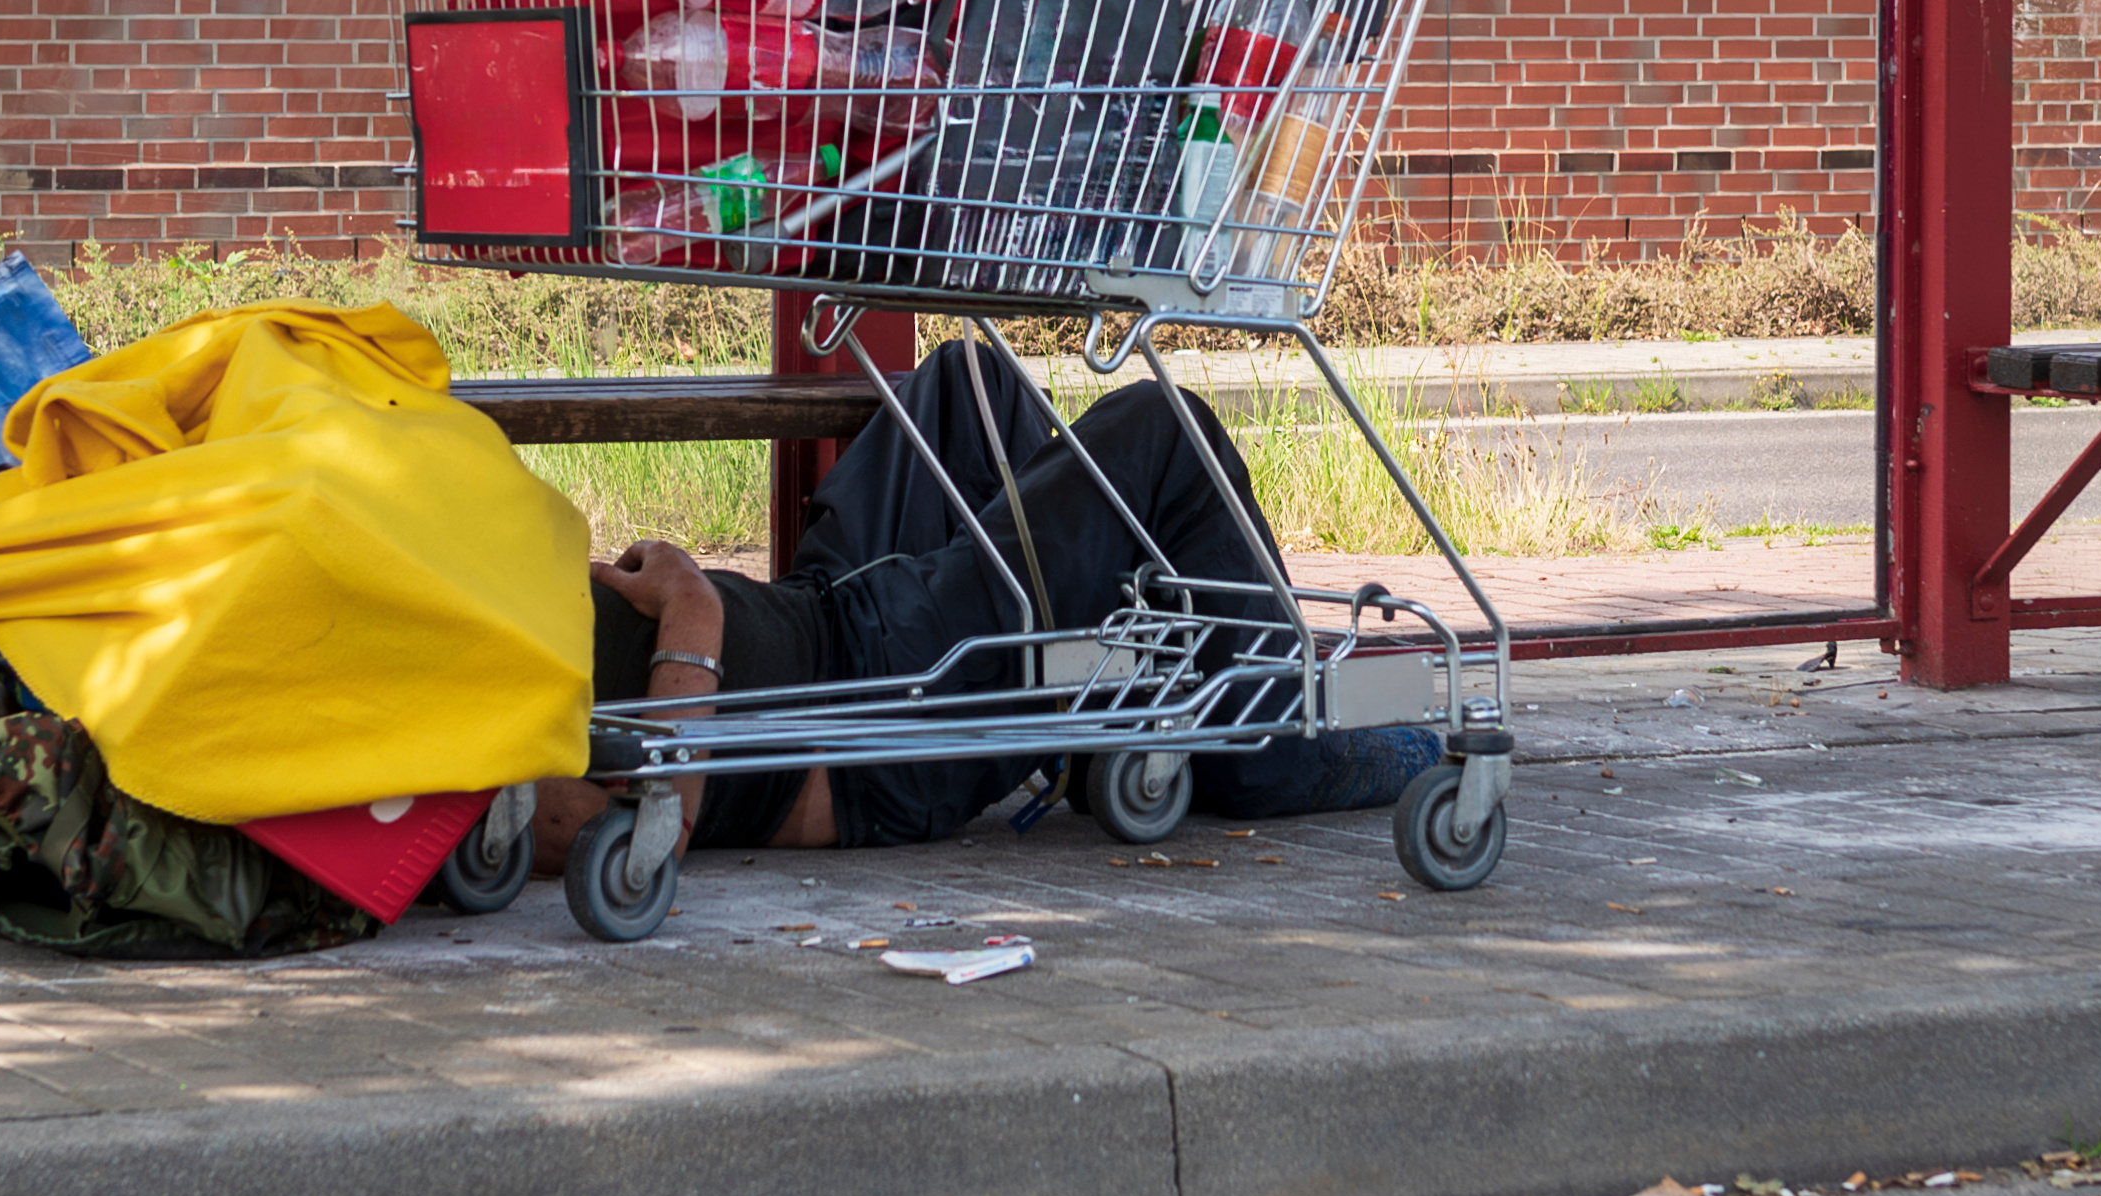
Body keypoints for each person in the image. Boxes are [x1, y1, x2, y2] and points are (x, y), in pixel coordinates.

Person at [532, 341, 1441, 867]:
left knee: (971, 384)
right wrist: (689, 608)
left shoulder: (421, 655)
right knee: (1164, 430)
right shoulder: (443, 774)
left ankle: (1093, 709)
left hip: (833, 606)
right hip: (882, 715)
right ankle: (1263, 743)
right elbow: (640, 823)